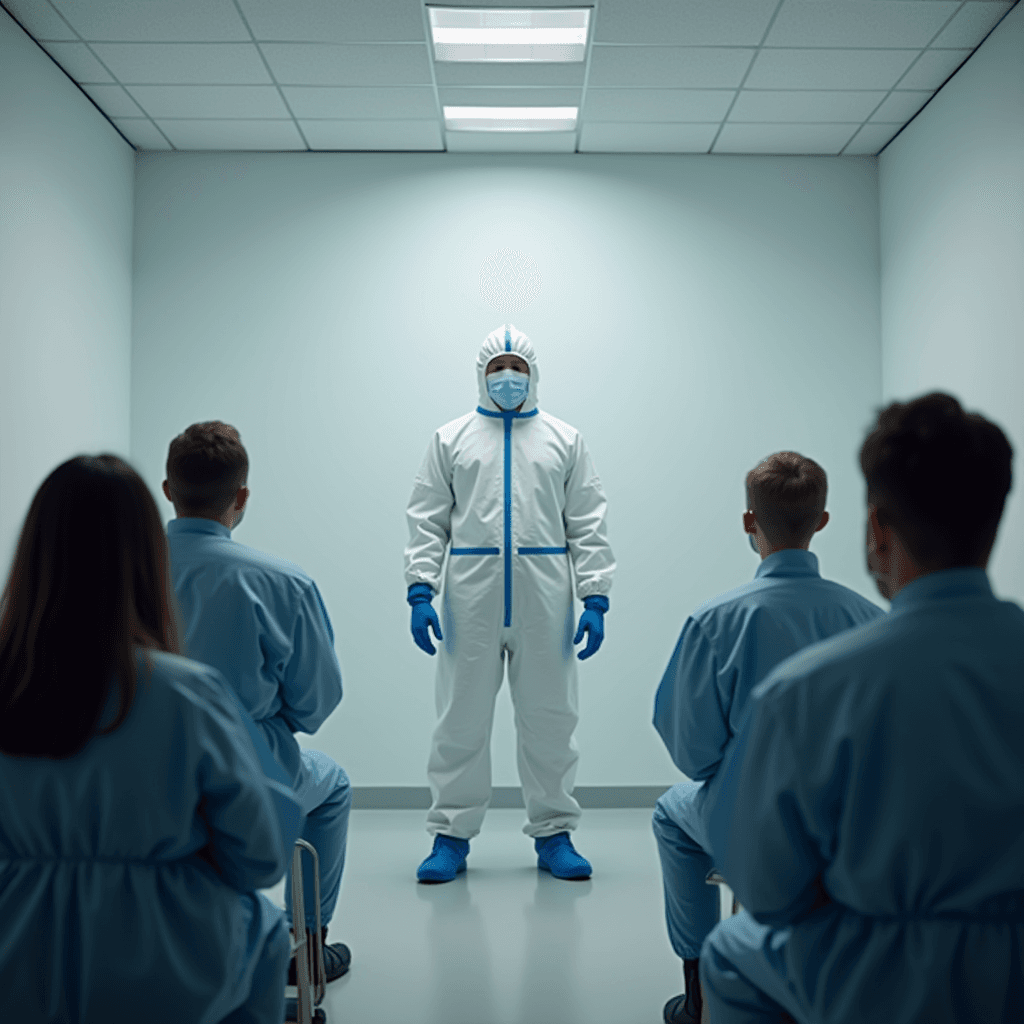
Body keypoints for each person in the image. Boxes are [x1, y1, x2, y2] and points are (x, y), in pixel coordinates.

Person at [702, 393, 1023, 1023]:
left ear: (876, 528)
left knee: (730, 952)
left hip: (886, 982)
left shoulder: (811, 692)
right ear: (995, 518)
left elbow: (768, 889)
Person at [0, 455, 301, 1024]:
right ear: (145, 556)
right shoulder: (187, 695)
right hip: (163, 973)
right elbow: (259, 862)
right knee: (263, 932)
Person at [652, 452, 885, 1023]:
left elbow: (694, 756)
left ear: (748, 521)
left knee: (669, 816)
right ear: (823, 521)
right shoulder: (870, 620)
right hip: (849, 821)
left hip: (753, 818)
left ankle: (699, 992)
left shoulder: (716, 621)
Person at [405, 324, 615, 882]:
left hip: (546, 593)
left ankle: (555, 834)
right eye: (497, 367)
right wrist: (420, 588)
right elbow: (426, 518)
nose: (506, 377)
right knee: (460, 720)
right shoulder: (450, 439)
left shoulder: (564, 440)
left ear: (533, 373)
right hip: (467, 595)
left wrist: (595, 596)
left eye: (516, 367)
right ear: (481, 373)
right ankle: (450, 835)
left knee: (550, 717)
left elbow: (588, 522)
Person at [162, 421, 352, 986]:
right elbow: (316, 704)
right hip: (244, 767)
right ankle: (306, 948)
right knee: (333, 786)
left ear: (169, 489)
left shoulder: (118, 574)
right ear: (241, 497)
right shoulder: (284, 584)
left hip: (129, 768)